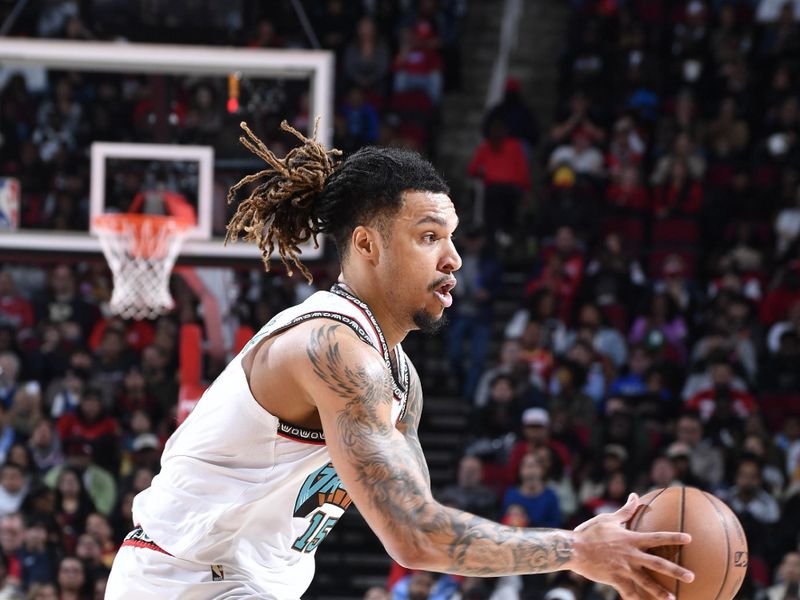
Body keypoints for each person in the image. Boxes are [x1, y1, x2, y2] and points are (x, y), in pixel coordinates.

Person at [106, 121, 693, 598]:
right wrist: (576, 550)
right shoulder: (332, 350)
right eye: (430, 236)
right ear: (367, 244)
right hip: (182, 582)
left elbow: (425, 523)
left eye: (453, 237)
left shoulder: (399, 378)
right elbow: (412, 538)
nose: (454, 259)